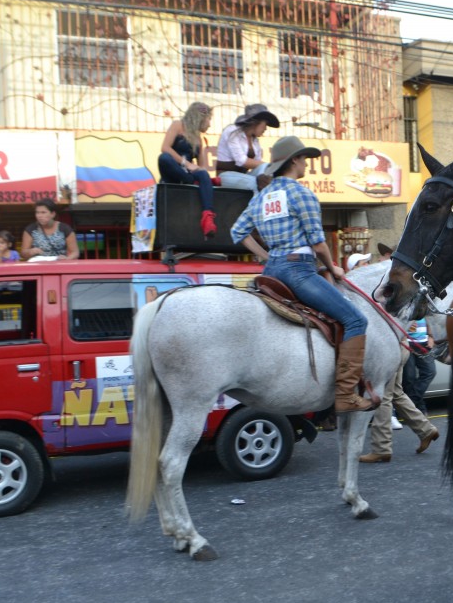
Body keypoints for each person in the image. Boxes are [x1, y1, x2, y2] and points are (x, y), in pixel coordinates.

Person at [231, 136, 376, 413]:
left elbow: (237, 232)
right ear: (295, 160)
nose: (307, 164)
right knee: (355, 319)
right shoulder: (302, 194)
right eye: (305, 159)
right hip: (298, 270)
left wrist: (266, 256)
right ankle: (346, 394)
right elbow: (318, 242)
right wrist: (333, 265)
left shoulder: (262, 197)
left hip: (271, 270)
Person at [359, 346, 440, 463]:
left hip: (388, 349)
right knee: (396, 393)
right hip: (400, 347)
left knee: (383, 397)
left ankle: (381, 448)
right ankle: (426, 430)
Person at [157, 102, 218, 238]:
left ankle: (208, 217)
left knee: (202, 173)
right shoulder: (178, 125)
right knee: (164, 158)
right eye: (209, 119)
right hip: (172, 173)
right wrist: (186, 163)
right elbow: (165, 147)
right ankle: (196, 182)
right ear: (200, 117)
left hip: (186, 177)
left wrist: (204, 177)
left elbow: (201, 167)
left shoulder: (198, 139)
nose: (209, 124)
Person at [216, 103, 279, 192]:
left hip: (243, 175)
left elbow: (259, 165)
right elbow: (241, 161)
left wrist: (268, 170)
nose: (265, 128)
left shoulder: (255, 140)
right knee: (255, 182)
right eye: (265, 124)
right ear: (256, 122)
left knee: (265, 174)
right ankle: (257, 205)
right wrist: (270, 166)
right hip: (225, 175)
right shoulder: (232, 131)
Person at [401, 317, 436, 415]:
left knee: (430, 372)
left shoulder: (423, 303)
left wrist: (431, 336)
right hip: (407, 342)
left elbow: (428, 318)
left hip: (424, 343)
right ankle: (420, 408)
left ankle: (410, 403)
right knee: (409, 378)